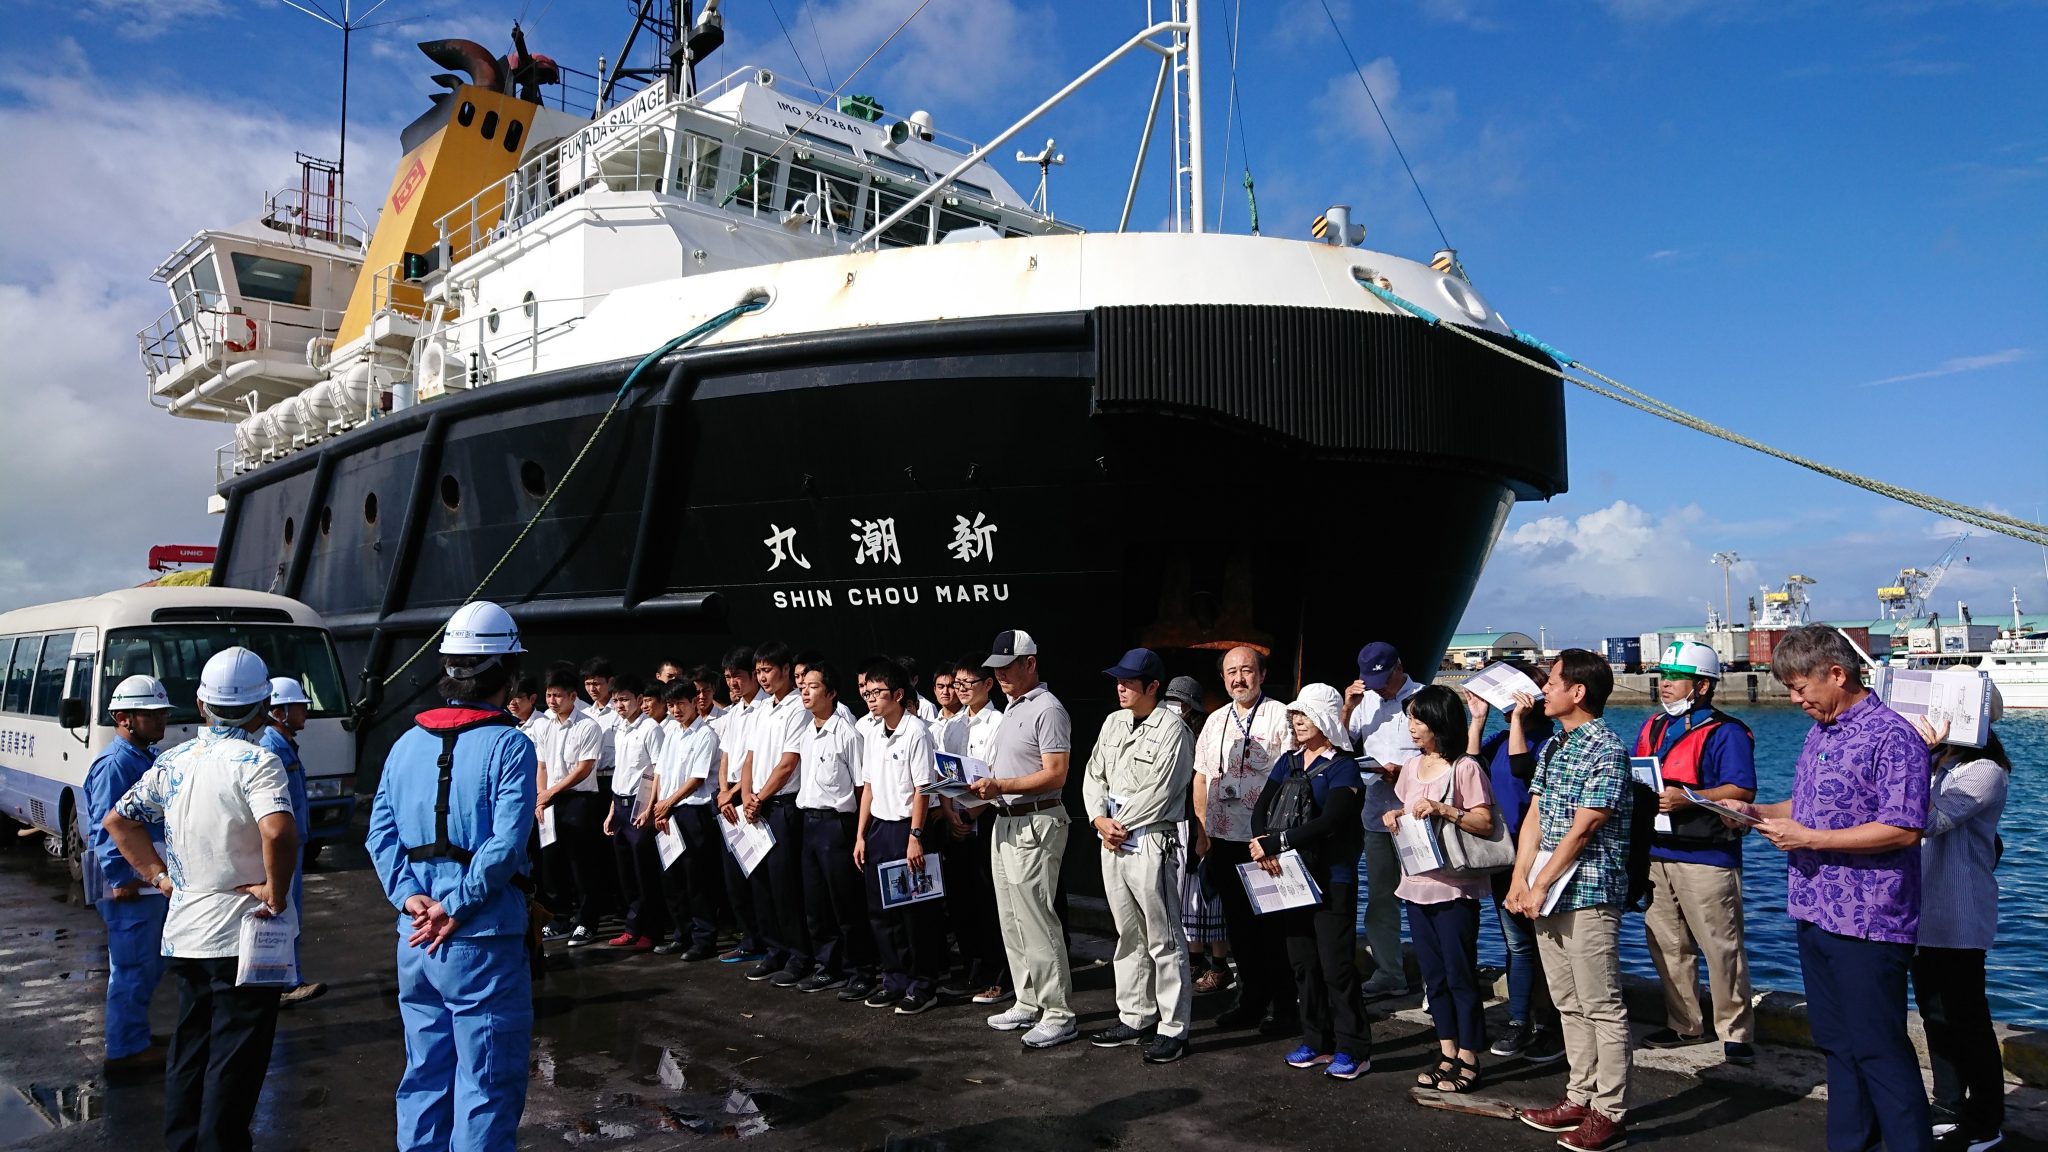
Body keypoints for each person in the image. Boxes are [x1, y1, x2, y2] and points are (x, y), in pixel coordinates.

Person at [1719, 625, 1933, 1152]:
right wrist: (1756, 812)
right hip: (1816, 909)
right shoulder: (1823, 731)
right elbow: (1810, 808)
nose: (1795, 701)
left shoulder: (1892, 735)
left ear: (1837, 674)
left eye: (1799, 688)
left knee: (1878, 1047)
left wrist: (1810, 838)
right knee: (1836, 1043)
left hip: (1870, 917)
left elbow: (1905, 826)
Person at [104, 646, 298, 1152]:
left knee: (191, 1049)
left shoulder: (174, 761)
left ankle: (183, 1143)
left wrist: (160, 877)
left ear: (201, 703)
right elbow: (277, 832)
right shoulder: (259, 760)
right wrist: (275, 893)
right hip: (242, 935)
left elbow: (118, 821)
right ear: (263, 709)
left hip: (186, 931)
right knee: (236, 1058)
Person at [364, 600, 538, 1152]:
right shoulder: (511, 744)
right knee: (486, 1082)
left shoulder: (404, 744)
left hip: (416, 941)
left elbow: (380, 835)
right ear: (507, 676)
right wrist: (455, 905)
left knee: (423, 1075)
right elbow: (506, 844)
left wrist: (411, 897)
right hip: (481, 938)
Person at [1508, 650, 1636, 1152]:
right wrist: (1521, 877)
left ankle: (1611, 1111)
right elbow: (1536, 816)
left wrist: (1539, 884)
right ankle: (1579, 1095)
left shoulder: (1605, 748)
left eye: (1554, 681)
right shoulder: (1554, 746)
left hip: (1589, 892)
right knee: (1568, 1002)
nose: (1545, 689)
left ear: (1577, 692)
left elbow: (1585, 828)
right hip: (1547, 890)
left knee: (1602, 1004)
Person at [1633, 640, 1759, 1065]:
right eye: (1663, 677)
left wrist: (1689, 797)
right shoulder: (1652, 727)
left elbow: (1741, 790)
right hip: (1656, 851)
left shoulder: (1728, 732)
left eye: (1675, 678)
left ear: (1702, 686)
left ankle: (1736, 1033)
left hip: (1708, 856)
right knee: (1668, 945)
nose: (1665, 685)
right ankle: (1683, 1024)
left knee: (1721, 947)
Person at [1250, 684, 1371, 1081]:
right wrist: (1261, 844)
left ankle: (1354, 1047)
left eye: (1306, 714)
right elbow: (1262, 807)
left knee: (1337, 965)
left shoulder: (1344, 767)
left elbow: (1333, 820)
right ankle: (1317, 1040)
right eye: (1295, 715)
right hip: (1291, 876)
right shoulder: (1289, 761)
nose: (1298, 721)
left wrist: (1278, 841)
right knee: (1303, 962)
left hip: (1332, 875)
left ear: (1325, 719)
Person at [1082, 648, 1196, 1064]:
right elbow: (1093, 773)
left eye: (1129, 682)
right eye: (1118, 680)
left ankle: (1173, 1027)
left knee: (1164, 936)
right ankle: (1135, 1014)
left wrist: (1116, 823)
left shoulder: (1175, 730)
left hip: (1149, 838)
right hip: (1111, 838)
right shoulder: (1113, 722)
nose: (1120, 687)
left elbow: (1164, 790)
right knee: (1127, 934)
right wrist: (1098, 818)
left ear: (1153, 687)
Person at [1909, 688, 2010, 1152]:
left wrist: (1917, 757)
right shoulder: (1936, 768)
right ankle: (1947, 1105)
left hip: (1960, 913)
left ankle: (1987, 1119)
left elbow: (1927, 822)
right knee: (1934, 1015)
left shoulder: (1984, 771)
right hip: (1923, 910)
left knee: (1967, 1018)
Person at [969, 629, 1078, 1049]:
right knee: (1012, 918)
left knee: (1036, 918)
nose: (1000, 676)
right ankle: (1028, 999)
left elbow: (1056, 774)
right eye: (995, 669)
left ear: (1030, 663)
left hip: (1036, 820)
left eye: (1008, 666)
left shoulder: (1048, 709)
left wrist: (1001, 785)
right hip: (1006, 819)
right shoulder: (1014, 707)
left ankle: (1059, 1012)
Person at [1386, 684, 1497, 1093]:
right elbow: (1405, 805)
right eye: (1411, 718)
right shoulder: (1413, 767)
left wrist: (1445, 809)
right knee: (1434, 976)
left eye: (1418, 719)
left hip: (1453, 886)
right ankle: (1447, 1051)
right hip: (1416, 883)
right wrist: (1394, 815)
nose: (1412, 727)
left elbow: (1484, 822)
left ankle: (1470, 1057)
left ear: (1438, 721)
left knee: (1459, 973)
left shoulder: (1465, 767)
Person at [1193, 645, 1298, 1033]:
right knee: (1239, 928)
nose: (1239, 678)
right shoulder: (1215, 721)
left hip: (1264, 841)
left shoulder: (1281, 717)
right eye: (1231, 672)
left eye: (1247, 670)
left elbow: (1293, 782)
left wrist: (1275, 838)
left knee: (1274, 929)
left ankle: (1286, 1008)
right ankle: (1249, 1001)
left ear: (1262, 674)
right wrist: (1203, 830)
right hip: (1224, 839)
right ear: (1223, 678)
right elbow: (1201, 777)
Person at [1462, 675, 1565, 1067]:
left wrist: (1520, 720)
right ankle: (1521, 1020)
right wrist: (1477, 719)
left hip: (1539, 855)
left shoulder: (1551, 741)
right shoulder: (1500, 740)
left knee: (1546, 945)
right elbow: (1471, 766)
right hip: (1507, 855)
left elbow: (1523, 769)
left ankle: (1549, 1025)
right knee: (1518, 944)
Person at [84, 674, 175, 1072]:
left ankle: (133, 1036)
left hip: (145, 880)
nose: (161, 720)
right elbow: (105, 825)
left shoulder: (144, 757)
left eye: (162, 713)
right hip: (131, 884)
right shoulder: (115, 764)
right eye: (151, 714)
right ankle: (125, 1050)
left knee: (145, 964)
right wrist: (121, 880)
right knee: (132, 966)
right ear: (123, 717)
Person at [853, 660, 948, 1014]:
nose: (871, 699)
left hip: (907, 829)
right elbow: (869, 788)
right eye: (867, 693)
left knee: (915, 915)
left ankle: (923, 985)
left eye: (877, 693)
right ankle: (895, 980)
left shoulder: (917, 732)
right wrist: (861, 835)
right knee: (881, 913)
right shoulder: (873, 732)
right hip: (880, 829)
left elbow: (923, 788)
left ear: (897, 694)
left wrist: (916, 836)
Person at [1342, 641, 1423, 999]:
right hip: (1375, 815)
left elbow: (1445, 753)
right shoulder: (1367, 701)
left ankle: (1435, 982)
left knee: (1426, 896)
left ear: (1399, 667)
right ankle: (1390, 972)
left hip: (1418, 816)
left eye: (1383, 679)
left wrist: (1403, 772)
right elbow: (1342, 747)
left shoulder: (1425, 697)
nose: (1379, 687)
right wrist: (1347, 708)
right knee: (1380, 898)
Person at [794, 661, 878, 999]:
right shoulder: (806, 733)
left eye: (813, 686)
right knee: (816, 904)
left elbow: (861, 789)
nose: (805, 691)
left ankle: (862, 971)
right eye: (804, 686)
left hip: (837, 825)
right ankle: (828, 967)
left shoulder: (848, 734)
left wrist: (860, 834)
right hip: (809, 823)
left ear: (830, 693)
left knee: (847, 905)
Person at [737, 640, 815, 986]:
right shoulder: (763, 708)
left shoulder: (798, 707)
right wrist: (746, 796)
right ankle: (775, 950)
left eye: (768, 670)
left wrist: (759, 797)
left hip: (783, 805)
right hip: (757, 806)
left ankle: (800, 955)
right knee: (762, 884)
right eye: (759, 671)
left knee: (787, 886)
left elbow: (788, 763)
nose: (763, 677)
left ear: (786, 670)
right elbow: (750, 757)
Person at [940, 656, 1011, 1005]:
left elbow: (996, 776)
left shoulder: (999, 723)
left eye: (969, 683)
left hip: (986, 818)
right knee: (962, 900)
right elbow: (944, 774)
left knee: (989, 901)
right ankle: (971, 969)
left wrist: (969, 816)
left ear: (988, 684)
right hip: (955, 817)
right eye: (958, 683)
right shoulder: (952, 725)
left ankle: (1000, 974)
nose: (961, 689)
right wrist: (950, 812)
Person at [261, 676, 328, 1008]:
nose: (305, 713)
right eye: (299, 707)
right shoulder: (271, 747)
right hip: (284, 846)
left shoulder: (283, 744)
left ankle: (287, 979)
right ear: (279, 711)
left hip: (295, 843)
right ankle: (285, 983)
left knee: (290, 913)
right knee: (282, 913)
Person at [650, 679, 725, 962]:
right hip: (667, 810)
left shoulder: (705, 734)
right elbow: (660, 772)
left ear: (695, 701)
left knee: (697, 879)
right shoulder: (670, 733)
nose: (675, 710)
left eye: (680, 703)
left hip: (693, 811)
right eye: (670, 705)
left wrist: (669, 802)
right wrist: (656, 805)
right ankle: (682, 934)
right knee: (672, 876)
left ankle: (704, 938)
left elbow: (697, 778)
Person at [1163, 676, 1228, 996]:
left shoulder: (1203, 737)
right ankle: (1194, 958)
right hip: (1179, 823)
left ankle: (1219, 965)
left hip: (1202, 822)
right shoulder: (1168, 733)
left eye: (1182, 703)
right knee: (1186, 895)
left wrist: (1205, 831)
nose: (1176, 708)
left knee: (1209, 895)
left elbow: (1204, 783)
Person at [534, 667, 605, 947]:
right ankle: (560, 918)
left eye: (558, 696)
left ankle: (587, 922)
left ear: (573, 697)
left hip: (579, 799)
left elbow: (584, 768)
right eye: (549, 695)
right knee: (552, 862)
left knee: (582, 863)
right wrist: (542, 795)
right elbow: (541, 765)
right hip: (551, 799)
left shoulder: (588, 725)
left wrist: (551, 790)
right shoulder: (543, 725)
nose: (552, 701)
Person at [602, 673, 669, 952]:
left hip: (640, 807)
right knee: (626, 874)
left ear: (639, 700)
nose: (619, 705)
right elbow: (621, 772)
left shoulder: (651, 729)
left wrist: (651, 809)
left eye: (625, 699)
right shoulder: (620, 728)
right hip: (620, 804)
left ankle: (652, 931)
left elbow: (657, 771)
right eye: (616, 700)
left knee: (645, 874)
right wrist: (610, 811)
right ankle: (632, 928)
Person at [714, 647, 767, 964]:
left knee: (758, 878)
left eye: (737, 676)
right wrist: (722, 791)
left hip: (749, 797)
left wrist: (734, 793)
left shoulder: (764, 710)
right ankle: (749, 938)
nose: (732, 682)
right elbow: (726, 756)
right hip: (726, 800)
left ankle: (766, 941)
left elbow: (753, 758)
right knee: (734, 877)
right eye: (728, 677)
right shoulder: (732, 714)